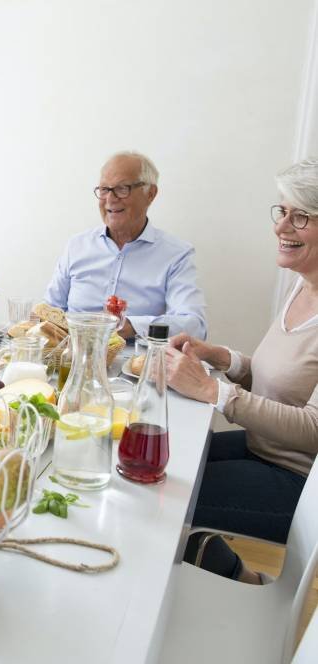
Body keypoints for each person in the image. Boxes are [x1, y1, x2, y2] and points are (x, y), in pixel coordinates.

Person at [166, 157, 318, 583]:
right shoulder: (301, 287)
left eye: (301, 216)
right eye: (283, 211)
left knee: (165, 491)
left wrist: (215, 393)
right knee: (165, 456)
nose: (282, 227)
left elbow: (313, 427)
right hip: (262, 448)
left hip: (296, 479)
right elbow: (277, 379)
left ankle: (233, 580)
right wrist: (217, 356)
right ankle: (234, 573)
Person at [44, 151, 207, 340]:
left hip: (136, 364)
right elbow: (49, 312)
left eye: (122, 188)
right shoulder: (77, 246)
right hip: (73, 358)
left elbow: (195, 327)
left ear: (151, 194)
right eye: (104, 189)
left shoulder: (176, 254)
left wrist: (130, 326)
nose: (110, 199)